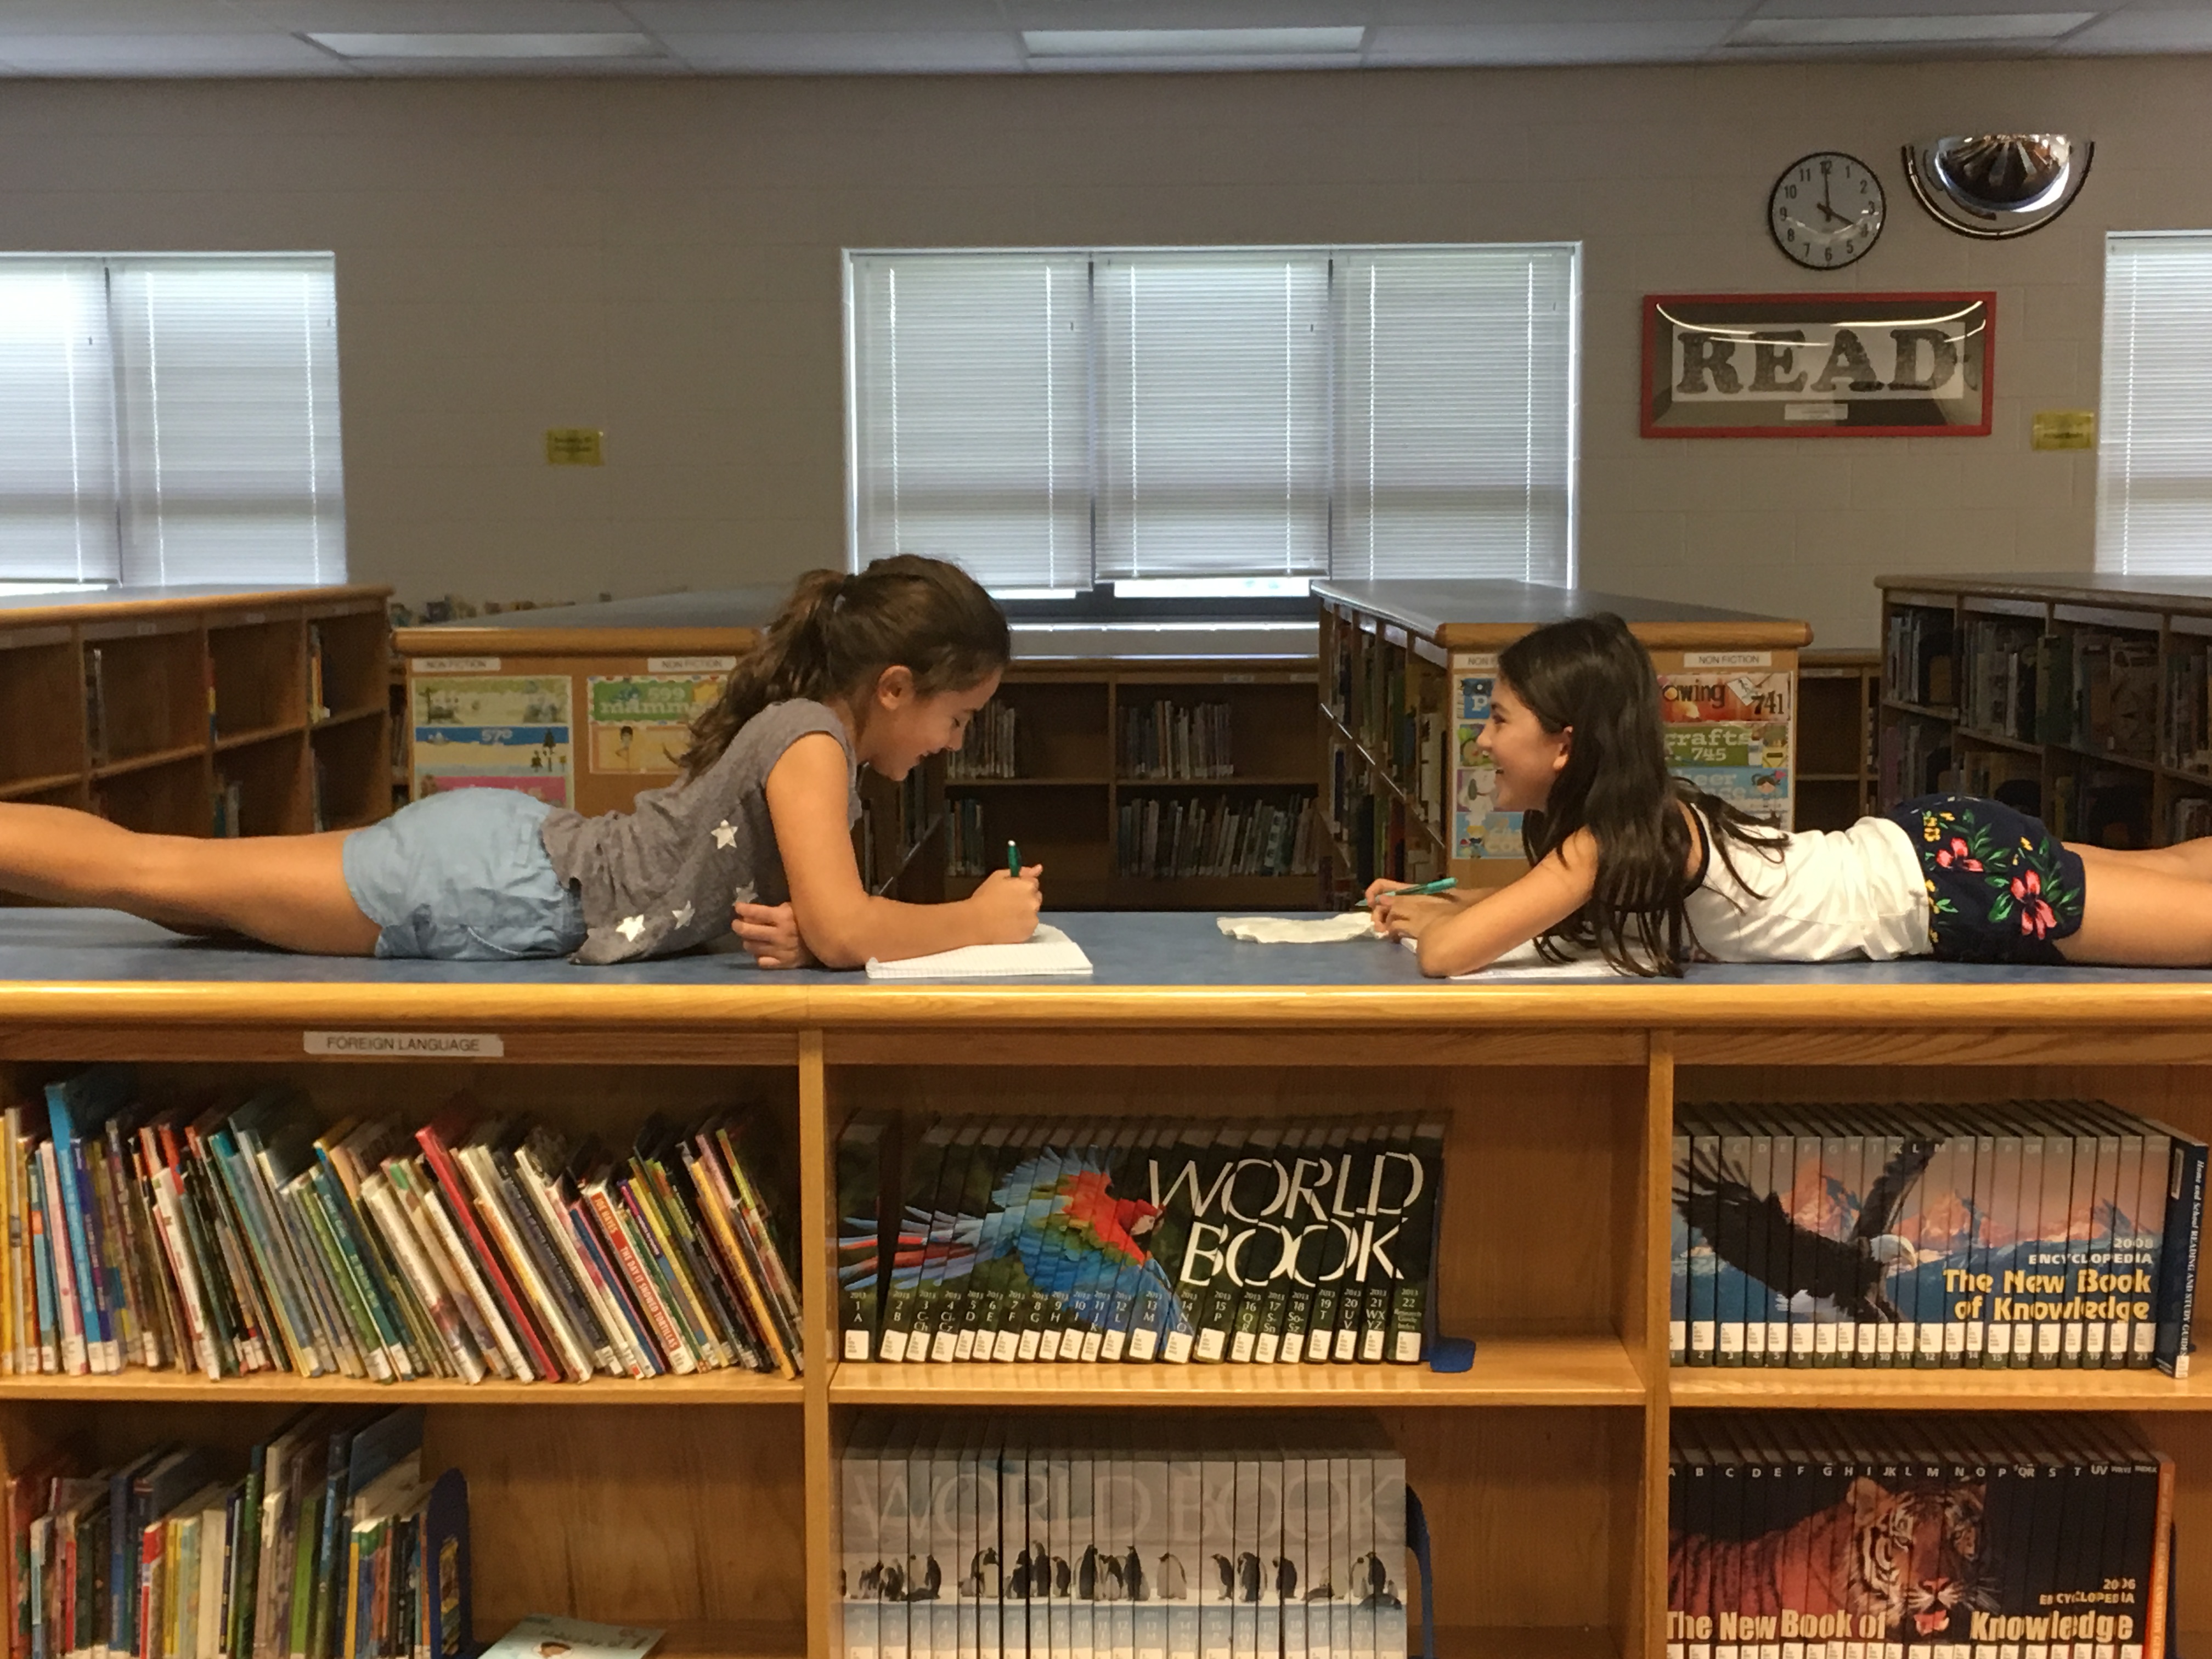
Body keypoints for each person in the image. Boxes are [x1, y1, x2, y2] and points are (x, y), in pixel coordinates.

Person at [0, 555, 1041, 970]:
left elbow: (824, 924)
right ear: (893, 687)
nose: (952, 744)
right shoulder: (814, 741)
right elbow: (853, 926)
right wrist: (979, 920)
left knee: (187, 901)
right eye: (957, 717)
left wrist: (811, 931)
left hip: (508, 867)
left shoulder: (810, 736)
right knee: (157, 870)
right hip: (497, 884)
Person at [1372, 612, 2212, 978]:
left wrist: (1438, 925)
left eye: (1500, 720)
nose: (1483, 742)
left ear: (1564, 744)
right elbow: (1528, 916)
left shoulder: (1606, 840)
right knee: (2177, 867)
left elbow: (1453, 957)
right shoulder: (1623, 826)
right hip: (1931, 854)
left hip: (1956, 884)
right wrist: (1430, 907)